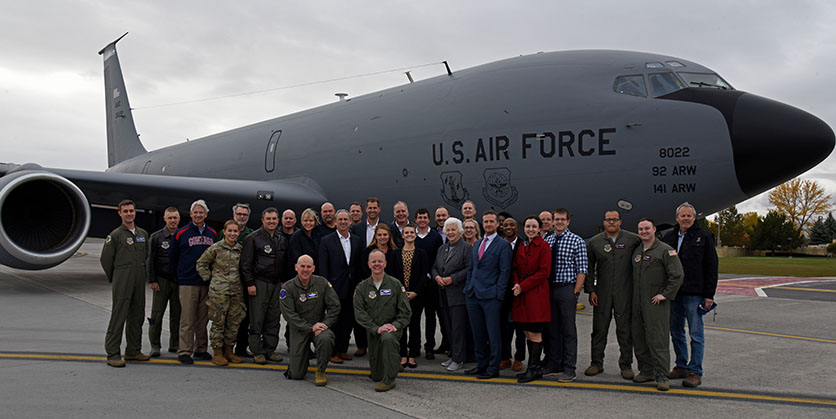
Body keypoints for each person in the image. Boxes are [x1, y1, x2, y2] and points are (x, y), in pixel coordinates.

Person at [661, 202, 718, 388]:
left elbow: (711, 267)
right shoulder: (668, 238)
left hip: (694, 293)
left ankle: (695, 371)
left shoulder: (705, 237)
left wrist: (709, 295)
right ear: (677, 218)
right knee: (676, 332)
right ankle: (681, 366)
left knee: (695, 334)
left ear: (694, 218)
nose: (686, 219)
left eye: (689, 216)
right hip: (674, 294)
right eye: (682, 216)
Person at [584, 210, 641, 379]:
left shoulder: (632, 240)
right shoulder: (595, 242)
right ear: (604, 222)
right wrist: (591, 290)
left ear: (620, 222)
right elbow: (588, 268)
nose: (611, 223)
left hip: (625, 291)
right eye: (608, 220)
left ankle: (626, 365)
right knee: (599, 329)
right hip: (602, 292)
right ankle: (596, 363)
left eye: (614, 220)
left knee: (625, 330)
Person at [632, 218, 684, 391]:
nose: (644, 231)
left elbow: (677, 275)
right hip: (637, 302)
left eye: (647, 228)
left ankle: (662, 375)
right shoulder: (637, 251)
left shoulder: (665, 251)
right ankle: (646, 370)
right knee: (639, 338)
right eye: (640, 229)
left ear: (654, 229)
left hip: (655, 303)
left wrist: (665, 294)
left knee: (658, 339)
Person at [353, 249, 412, 392]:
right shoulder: (362, 287)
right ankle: (394, 362)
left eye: (380, 261)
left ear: (385, 264)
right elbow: (360, 313)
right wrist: (375, 328)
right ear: (369, 264)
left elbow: (406, 312)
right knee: (376, 375)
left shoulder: (395, 284)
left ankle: (389, 380)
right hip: (374, 331)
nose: (377, 264)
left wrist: (395, 326)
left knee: (387, 339)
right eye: (374, 261)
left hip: (392, 330)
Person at [101, 199, 150, 367]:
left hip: (138, 279)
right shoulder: (115, 235)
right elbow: (106, 260)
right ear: (119, 213)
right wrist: (115, 277)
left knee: (137, 315)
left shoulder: (143, 234)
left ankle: (133, 351)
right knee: (119, 316)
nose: (129, 214)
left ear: (135, 212)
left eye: (131, 211)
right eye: (126, 211)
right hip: (123, 279)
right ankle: (113, 353)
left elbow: (146, 256)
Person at [464, 210, 513, 379]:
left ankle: (493, 367)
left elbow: (504, 272)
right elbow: (472, 267)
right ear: (482, 224)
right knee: (478, 333)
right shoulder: (477, 244)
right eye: (486, 222)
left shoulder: (503, 245)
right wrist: (468, 287)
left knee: (493, 334)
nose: (489, 224)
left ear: (497, 224)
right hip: (473, 295)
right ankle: (481, 364)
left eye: (492, 221)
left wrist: (498, 293)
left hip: (491, 296)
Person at [280, 255, 340, 386]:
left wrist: (325, 324)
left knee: (326, 338)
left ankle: (321, 370)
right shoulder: (288, 288)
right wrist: (309, 328)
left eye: (308, 267)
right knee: (296, 375)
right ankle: (301, 357)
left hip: (319, 326)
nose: (305, 270)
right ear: (296, 267)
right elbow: (289, 315)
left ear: (313, 269)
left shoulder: (322, 283)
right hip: (299, 329)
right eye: (302, 266)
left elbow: (335, 306)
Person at [543, 208, 587, 382]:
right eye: (557, 219)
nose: (559, 222)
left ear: (568, 221)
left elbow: (582, 269)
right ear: (552, 221)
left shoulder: (576, 241)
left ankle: (570, 368)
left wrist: (575, 292)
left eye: (563, 219)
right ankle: (555, 363)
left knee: (569, 330)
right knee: (552, 329)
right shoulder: (548, 240)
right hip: (550, 289)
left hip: (566, 289)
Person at [170, 199, 217, 364]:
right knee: (187, 318)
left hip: (206, 282)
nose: (198, 215)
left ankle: (201, 349)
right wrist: (179, 276)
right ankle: (184, 351)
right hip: (188, 281)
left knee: (203, 319)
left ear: (206, 214)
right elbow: (173, 257)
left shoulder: (212, 233)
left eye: (201, 212)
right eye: (195, 212)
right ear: (191, 214)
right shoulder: (181, 233)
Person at [240, 207, 288, 365]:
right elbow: (245, 265)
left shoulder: (281, 238)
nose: (272, 221)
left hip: (276, 284)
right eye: (268, 219)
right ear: (262, 220)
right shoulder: (253, 238)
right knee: (257, 319)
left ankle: (270, 349)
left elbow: (283, 262)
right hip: (259, 283)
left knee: (273, 318)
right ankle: (257, 351)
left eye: (274, 219)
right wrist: (250, 283)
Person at [196, 220, 245, 366]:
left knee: (233, 322)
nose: (232, 234)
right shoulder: (216, 248)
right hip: (219, 292)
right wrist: (211, 278)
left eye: (235, 231)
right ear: (224, 232)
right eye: (229, 231)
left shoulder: (240, 250)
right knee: (218, 322)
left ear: (239, 233)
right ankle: (217, 352)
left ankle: (229, 350)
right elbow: (201, 263)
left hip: (236, 292)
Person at [318, 209, 363, 363]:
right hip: (334, 288)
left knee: (348, 321)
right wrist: (327, 287)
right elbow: (323, 267)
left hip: (352, 288)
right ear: (335, 222)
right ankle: (332, 352)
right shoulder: (326, 241)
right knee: (334, 322)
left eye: (346, 219)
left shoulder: (357, 241)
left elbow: (358, 265)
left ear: (350, 222)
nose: (343, 222)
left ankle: (342, 349)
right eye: (340, 219)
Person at [511, 216, 552, 383]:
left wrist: (523, 286)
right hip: (521, 293)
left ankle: (534, 368)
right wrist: (516, 284)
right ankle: (532, 367)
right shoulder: (522, 245)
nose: (530, 229)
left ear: (540, 228)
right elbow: (515, 267)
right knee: (527, 331)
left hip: (536, 293)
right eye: (528, 226)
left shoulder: (544, 246)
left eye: (534, 227)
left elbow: (544, 272)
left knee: (535, 332)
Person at [432, 217, 472, 371]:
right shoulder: (442, 248)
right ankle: (453, 355)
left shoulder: (466, 248)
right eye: (448, 230)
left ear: (460, 231)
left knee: (458, 327)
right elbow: (435, 266)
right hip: (443, 294)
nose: (450, 232)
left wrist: (452, 279)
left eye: (453, 230)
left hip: (458, 294)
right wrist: (436, 277)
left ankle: (459, 359)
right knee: (449, 327)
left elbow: (469, 269)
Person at [388, 225, 428, 369]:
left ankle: (413, 355)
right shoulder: (395, 254)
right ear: (403, 235)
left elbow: (424, 274)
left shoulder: (421, 253)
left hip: (416, 296)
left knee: (415, 325)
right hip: (400, 295)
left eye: (412, 232)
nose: (410, 234)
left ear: (415, 235)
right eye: (407, 233)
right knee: (401, 326)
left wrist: (415, 292)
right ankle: (403, 354)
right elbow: (392, 274)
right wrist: (401, 291)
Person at [147, 206, 181, 357]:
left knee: (177, 314)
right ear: (165, 219)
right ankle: (155, 345)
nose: (172, 221)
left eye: (175, 218)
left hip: (178, 281)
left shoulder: (183, 236)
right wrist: (152, 280)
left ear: (179, 219)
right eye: (170, 218)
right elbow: (150, 260)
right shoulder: (156, 237)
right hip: (161, 280)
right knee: (157, 314)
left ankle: (175, 343)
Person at [414, 208, 445, 359]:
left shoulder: (435, 237)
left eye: (425, 218)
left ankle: (429, 347)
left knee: (431, 317)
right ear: (416, 219)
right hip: (415, 283)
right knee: (415, 316)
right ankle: (415, 345)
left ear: (428, 219)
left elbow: (438, 259)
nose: (422, 220)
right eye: (420, 218)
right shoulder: (411, 236)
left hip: (431, 282)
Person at [500, 217, 526, 371]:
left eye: (512, 225)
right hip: (503, 292)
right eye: (506, 225)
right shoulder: (499, 244)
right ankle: (505, 357)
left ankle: (519, 358)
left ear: (517, 228)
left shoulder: (523, 244)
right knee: (504, 327)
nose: (508, 227)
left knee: (520, 328)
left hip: (519, 291)